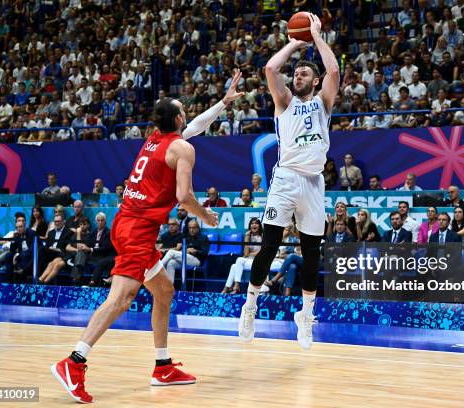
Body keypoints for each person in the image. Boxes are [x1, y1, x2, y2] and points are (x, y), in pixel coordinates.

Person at [51, 70, 244, 403]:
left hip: (126, 221)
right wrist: (205, 214)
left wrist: (223, 103)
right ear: (179, 118)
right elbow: (184, 197)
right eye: (183, 109)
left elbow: (194, 128)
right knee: (120, 300)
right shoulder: (182, 150)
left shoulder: (156, 138)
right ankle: (74, 361)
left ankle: (163, 366)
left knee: (164, 291)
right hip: (138, 230)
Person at [238, 13, 340, 350]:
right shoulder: (284, 103)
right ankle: (250, 305)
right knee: (269, 245)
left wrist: (316, 37)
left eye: (305, 72)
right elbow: (270, 69)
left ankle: (306, 316)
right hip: (284, 179)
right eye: (296, 72)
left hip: (313, 183)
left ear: (315, 81)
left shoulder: (324, 103)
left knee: (312, 253)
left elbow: (335, 71)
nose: (298, 74)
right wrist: (297, 42)